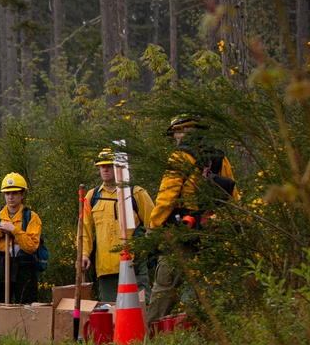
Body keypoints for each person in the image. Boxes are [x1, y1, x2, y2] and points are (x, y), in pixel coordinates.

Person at [148, 115, 239, 322]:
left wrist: (154, 226)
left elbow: (166, 197)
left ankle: (148, 337)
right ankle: (210, 332)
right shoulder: (219, 157)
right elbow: (232, 194)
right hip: (213, 230)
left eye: (179, 131)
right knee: (210, 285)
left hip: (182, 232)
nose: (177, 136)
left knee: (166, 285)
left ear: (187, 132)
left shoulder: (180, 157)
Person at [80, 148, 154, 302]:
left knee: (139, 309)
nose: (105, 169)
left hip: (133, 264)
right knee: (110, 313)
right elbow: (84, 229)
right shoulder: (92, 196)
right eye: (102, 166)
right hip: (105, 268)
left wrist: (145, 249)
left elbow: (154, 224)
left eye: (110, 165)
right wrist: (84, 254)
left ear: (120, 167)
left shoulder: (136, 193)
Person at [0, 173, 42, 304]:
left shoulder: (32, 217)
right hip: (1, 265)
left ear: (22, 194)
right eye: (7, 193)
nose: (10, 197)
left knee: (26, 304)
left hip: (24, 267)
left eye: (14, 193)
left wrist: (14, 231)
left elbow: (31, 246)